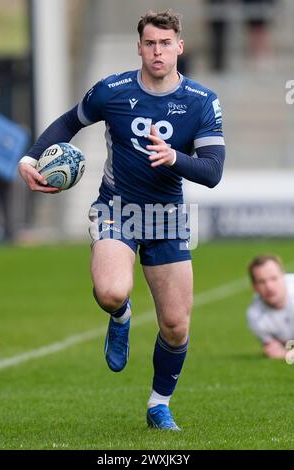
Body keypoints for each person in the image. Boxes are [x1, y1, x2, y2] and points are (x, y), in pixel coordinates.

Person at [18, 10, 225, 430]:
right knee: (112, 291)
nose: (158, 52)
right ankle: (121, 316)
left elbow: (213, 171)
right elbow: (67, 122)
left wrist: (175, 158)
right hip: (117, 208)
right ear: (139, 47)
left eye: (166, 43)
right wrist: (29, 157)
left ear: (179, 46)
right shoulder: (112, 91)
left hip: (167, 217)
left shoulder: (202, 101)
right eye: (150, 43)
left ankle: (158, 405)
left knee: (175, 325)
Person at [247, 255, 294, 359]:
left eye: (274, 278)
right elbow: (274, 351)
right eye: (261, 281)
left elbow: (285, 351)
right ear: (254, 287)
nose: (269, 286)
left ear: (283, 277)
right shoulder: (255, 317)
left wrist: (287, 354)